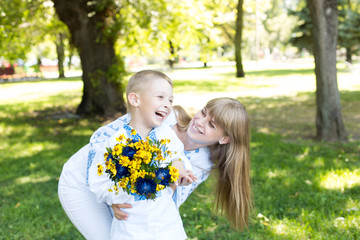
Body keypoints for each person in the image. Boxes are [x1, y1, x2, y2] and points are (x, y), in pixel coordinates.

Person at [58, 91, 252, 238]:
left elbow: (164, 203)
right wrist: (112, 199)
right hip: (80, 183)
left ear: (225, 139)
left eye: (212, 125)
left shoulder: (201, 164)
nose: (200, 122)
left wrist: (176, 181)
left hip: (119, 192)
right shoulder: (165, 116)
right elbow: (101, 142)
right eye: (203, 113)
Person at [87, 69, 194, 239]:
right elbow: (98, 181)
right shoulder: (116, 142)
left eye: (170, 99)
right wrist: (116, 197)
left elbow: (177, 157)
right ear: (135, 99)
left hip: (166, 225)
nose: (167, 104)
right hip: (130, 226)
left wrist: (180, 171)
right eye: (160, 97)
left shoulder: (165, 136)